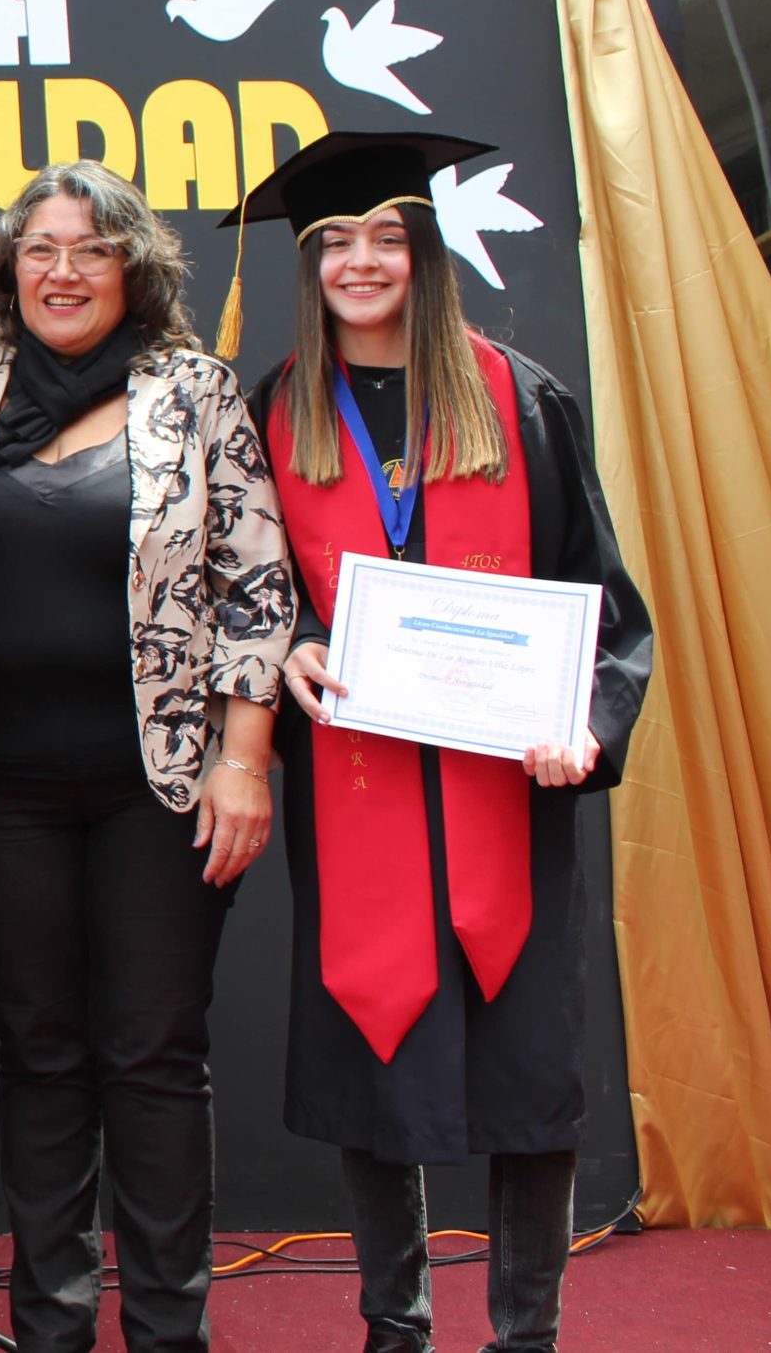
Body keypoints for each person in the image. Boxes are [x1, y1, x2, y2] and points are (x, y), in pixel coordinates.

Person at [236, 132, 653, 1353]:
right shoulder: (276, 410)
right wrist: (291, 647)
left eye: (385, 238)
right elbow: (251, 592)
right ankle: (395, 1324)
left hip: (507, 797)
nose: (360, 262)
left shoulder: (518, 400)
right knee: (379, 1050)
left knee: (527, 1077)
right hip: (356, 787)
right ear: (309, 265)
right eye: (333, 243)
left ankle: (525, 1332)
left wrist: (582, 722)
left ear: (424, 251)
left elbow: (603, 604)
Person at [0, 159, 294, 1353]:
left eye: (91, 249)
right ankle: (51, 1326)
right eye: (40, 248)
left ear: (133, 268)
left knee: (152, 1056)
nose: (64, 270)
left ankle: (168, 1331)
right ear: (8, 269)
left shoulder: (194, 390)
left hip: (165, 780)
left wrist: (244, 758)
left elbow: (256, 584)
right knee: (37, 1053)